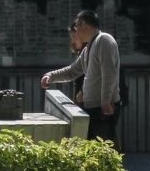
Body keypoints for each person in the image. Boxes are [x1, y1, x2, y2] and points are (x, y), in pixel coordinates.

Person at [41, 10, 121, 144]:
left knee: (105, 150)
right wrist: (51, 76)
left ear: (84, 24)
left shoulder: (104, 40)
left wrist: (106, 101)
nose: (76, 31)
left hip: (103, 109)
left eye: (77, 26)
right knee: (92, 151)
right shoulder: (88, 48)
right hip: (92, 108)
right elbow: (72, 71)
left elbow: (109, 73)